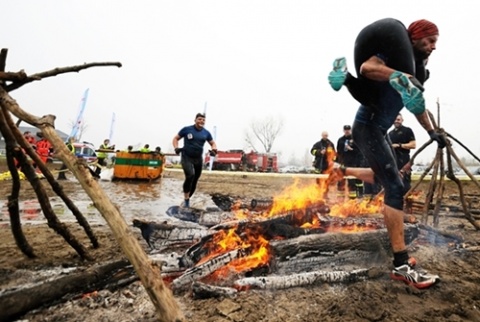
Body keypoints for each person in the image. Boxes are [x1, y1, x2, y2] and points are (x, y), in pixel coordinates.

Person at [327, 18, 446, 289]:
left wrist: (432, 131)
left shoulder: (418, 74)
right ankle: (401, 265)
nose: (433, 47)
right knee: (394, 186)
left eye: (435, 42)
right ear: (413, 38)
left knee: (387, 179)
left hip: (376, 128)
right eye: (429, 41)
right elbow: (368, 67)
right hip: (368, 125)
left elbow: (417, 106)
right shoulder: (392, 53)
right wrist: (398, 76)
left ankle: (342, 171)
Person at [172, 113, 217, 208]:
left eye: (203, 120)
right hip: (186, 156)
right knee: (190, 175)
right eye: (199, 119)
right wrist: (176, 148)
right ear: (195, 120)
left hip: (198, 158)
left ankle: (187, 199)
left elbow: (213, 143)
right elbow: (175, 138)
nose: (201, 121)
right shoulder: (187, 129)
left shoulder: (206, 133)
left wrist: (214, 150)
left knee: (195, 179)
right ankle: (186, 200)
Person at [388, 113, 416, 193]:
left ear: (402, 120)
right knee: (393, 184)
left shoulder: (407, 130)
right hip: (393, 162)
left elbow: (413, 145)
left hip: (404, 160)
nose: (397, 121)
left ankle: (407, 202)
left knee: (405, 183)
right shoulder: (390, 133)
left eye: (398, 120)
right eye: (395, 119)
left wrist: (399, 145)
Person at [335, 125, 363, 198]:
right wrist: (337, 162)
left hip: (352, 164)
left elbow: (360, 151)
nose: (347, 131)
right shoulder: (340, 140)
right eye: (345, 129)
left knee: (351, 182)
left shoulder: (355, 139)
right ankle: (340, 199)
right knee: (341, 181)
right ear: (343, 130)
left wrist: (351, 149)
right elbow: (338, 152)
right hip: (342, 163)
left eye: (348, 129)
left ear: (350, 130)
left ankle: (352, 199)